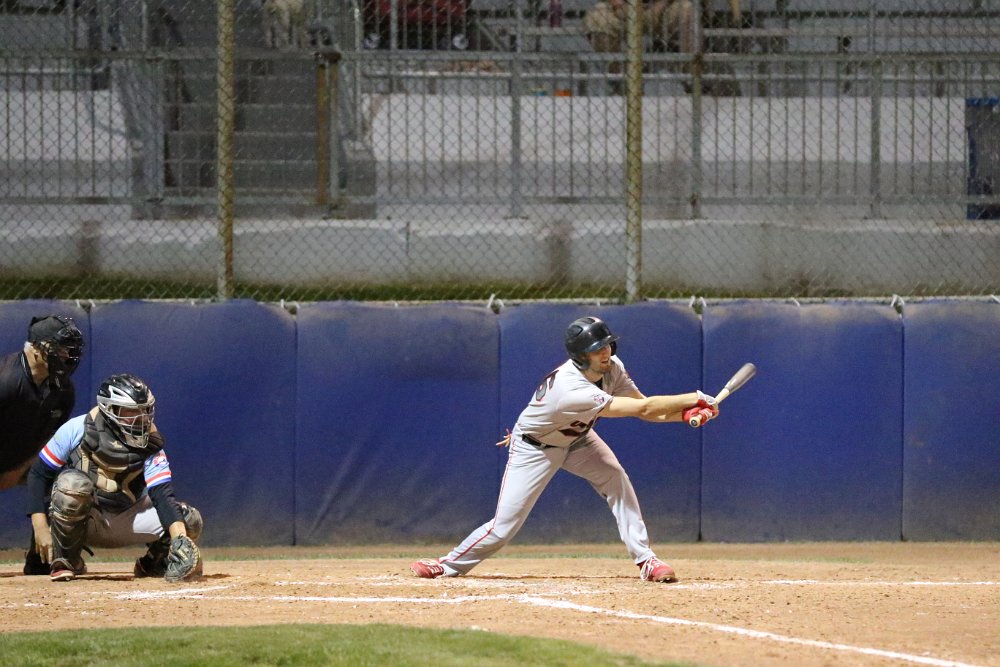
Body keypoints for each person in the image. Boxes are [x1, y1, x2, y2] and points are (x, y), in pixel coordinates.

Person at [410, 315, 719, 583]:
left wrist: (685, 415)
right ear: (581, 356)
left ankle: (646, 560)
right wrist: (694, 398)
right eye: (597, 349)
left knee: (616, 479)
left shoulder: (613, 368)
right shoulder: (571, 389)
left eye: (608, 345)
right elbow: (646, 408)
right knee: (504, 526)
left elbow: (645, 407)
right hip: (535, 448)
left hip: (577, 438)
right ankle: (447, 564)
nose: (606, 353)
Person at [23, 373, 203, 582]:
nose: (140, 419)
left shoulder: (151, 442)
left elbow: (162, 494)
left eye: (144, 411)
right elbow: (38, 474)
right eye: (130, 412)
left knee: (189, 521)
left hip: (126, 517)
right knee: (71, 484)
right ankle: (67, 559)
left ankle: (154, 564)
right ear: (109, 409)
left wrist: (180, 539)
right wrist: (40, 527)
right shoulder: (77, 428)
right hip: (87, 519)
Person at [0, 315, 85, 492]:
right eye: (58, 348)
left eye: (69, 349)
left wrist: (18, 470)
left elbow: (53, 438)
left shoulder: (64, 390)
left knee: (72, 483)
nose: (66, 355)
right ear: (35, 349)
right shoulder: (7, 380)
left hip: (22, 463)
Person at [583, 0, 695, 93]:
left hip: (662, 6)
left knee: (688, 10)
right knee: (597, 17)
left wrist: (661, 5)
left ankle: (692, 80)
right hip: (623, 8)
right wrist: (618, 4)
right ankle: (622, 82)